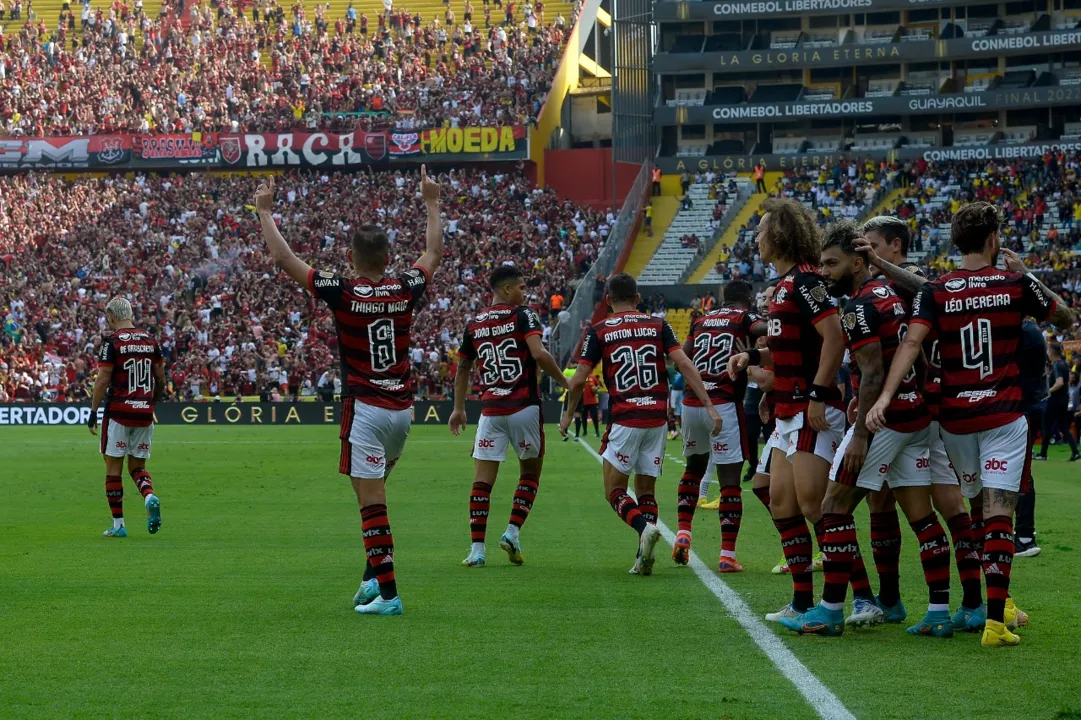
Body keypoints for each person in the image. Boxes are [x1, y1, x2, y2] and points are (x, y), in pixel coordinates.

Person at [866, 201, 1077, 647]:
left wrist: (884, 395)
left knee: (978, 511)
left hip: (955, 421)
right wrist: (1029, 275)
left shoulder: (937, 290)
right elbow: (1066, 317)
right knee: (999, 514)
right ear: (994, 240)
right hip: (1002, 413)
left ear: (955, 242)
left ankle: (992, 604)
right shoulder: (1016, 283)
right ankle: (995, 622)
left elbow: (911, 344)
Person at [254, 168, 443, 617]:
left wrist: (265, 212)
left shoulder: (342, 290)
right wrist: (431, 202)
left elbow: (284, 259)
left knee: (371, 504)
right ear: (388, 256)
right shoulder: (404, 286)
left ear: (351, 255)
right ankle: (370, 579)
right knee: (368, 495)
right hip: (402, 411)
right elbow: (433, 251)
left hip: (365, 409)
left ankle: (390, 596)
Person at [781, 220, 953, 638]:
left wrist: (860, 432)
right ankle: (937, 612)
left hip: (884, 423)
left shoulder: (857, 306)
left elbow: (873, 370)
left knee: (833, 505)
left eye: (832, 263)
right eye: (821, 263)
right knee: (920, 516)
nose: (824, 271)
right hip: (915, 416)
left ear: (858, 262)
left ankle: (829, 610)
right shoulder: (890, 293)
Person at [855, 216, 987, 632]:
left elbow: (926, 292)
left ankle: (965, 601)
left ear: (894, 246)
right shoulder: (885, 290)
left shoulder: (910, 280)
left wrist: (878, 264)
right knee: (895, 503)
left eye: (873, 245)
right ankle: (913, 599)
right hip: (921, 408)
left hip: (919, 411)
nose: (866, 253)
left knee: (946, 506)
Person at [727, 197, 850, 625]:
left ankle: (837, 607)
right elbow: (792, 346)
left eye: (760, 231)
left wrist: (817, 393)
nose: (756, 239)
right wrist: (757, 363)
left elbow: (834, 337)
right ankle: (801, 602)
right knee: (780, 501)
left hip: (812, 409)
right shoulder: (784, 286)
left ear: (778, 235)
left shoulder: (806, 281)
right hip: (786, 409)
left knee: (818, 506)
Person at [560, 273, 720, 575]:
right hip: (657, 419)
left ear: (607, 301)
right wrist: (710, 406)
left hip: (625, 417)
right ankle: (643, 557)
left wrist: (568, 415)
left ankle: (643, 530)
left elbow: (579, 379)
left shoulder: (599, 330)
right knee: (646, 491)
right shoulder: (659, 325)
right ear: (638, 299)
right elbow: (685, 364)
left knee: (614, 491)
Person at [450, 265, 568, 568]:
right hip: (523, 407)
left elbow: (463, 367)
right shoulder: (523, 315)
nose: (524, 292)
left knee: (482, 481)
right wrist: (566, 382)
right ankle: (512, 533)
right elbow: (539, 354)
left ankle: (476, 550)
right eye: (521, 287)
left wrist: (459, 408)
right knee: (529, 474)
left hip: (490, 411)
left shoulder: (474, 323)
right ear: (505, 289)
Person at [676, 279, 766, 571]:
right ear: (748, 299)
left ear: (722, 298)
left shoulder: (700, 319)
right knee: (730, 482)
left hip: (692, 403)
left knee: (693, 469)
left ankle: (683, 533)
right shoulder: (745, 317)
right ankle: (727, 555)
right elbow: (763, 331)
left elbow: (683, 358)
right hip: (724, 404)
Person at [88, 298, 166, 538]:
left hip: (119, 411)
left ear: (112, 316)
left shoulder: (112, 342)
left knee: (113, 468)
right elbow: (161, 379)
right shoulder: (151, 340)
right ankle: (149, 495)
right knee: (137, 466)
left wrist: (93, 412)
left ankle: (119, 525)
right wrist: (151, 405)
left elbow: (102, 379)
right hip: (144, 412)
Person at [1016, 319, 1049, 559]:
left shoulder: (1024, 332)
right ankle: (1023, 535)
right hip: (1030, 404)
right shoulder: (1033, 331)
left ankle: (1025, 538)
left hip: (1024, 406)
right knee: (1022, 473)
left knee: (1022, 475)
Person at [1038, 342, 1080, 462]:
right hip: (1063, 399)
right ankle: (1075, 452)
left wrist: (1048, 392)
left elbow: (1059, 382)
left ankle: (1043, 454)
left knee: (1046, 425)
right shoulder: (1064, 364)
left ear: (1051, 352)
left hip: (1055, 400)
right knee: (1063, 427)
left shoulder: (1057, 365)